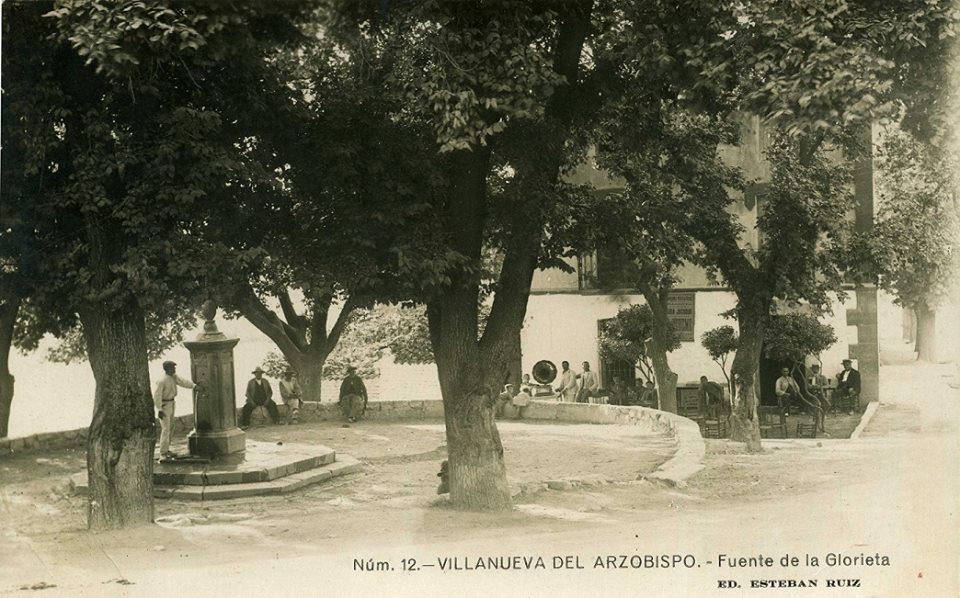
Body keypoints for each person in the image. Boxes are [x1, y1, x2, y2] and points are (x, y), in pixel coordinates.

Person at [153, 361, 199, 458]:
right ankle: (163, 452)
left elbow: (183, 382)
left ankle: (167, 449)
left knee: (171, 427)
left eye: (174, 368)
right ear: (167, 369)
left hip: (172, 403)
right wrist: (159, 409)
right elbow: (157, 395)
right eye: (172, 368)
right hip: (165, 405)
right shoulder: (161, 380)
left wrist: (194, 386)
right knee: (165, 429)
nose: (174, 369)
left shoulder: (174, 377)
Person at [808, 364, 829, 431]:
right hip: (813, 395)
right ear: (812, 370)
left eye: (816, 369)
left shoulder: (822, 377)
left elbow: (827, 386)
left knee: (826, 404)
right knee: (815, 406)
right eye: (814, 369)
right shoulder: (809, 378)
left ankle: (823, 417)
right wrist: (811, 386)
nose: (815, 370)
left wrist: (820, 387)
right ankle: (817, 421)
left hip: (821, 394)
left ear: (819, 369)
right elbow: (807, 386)